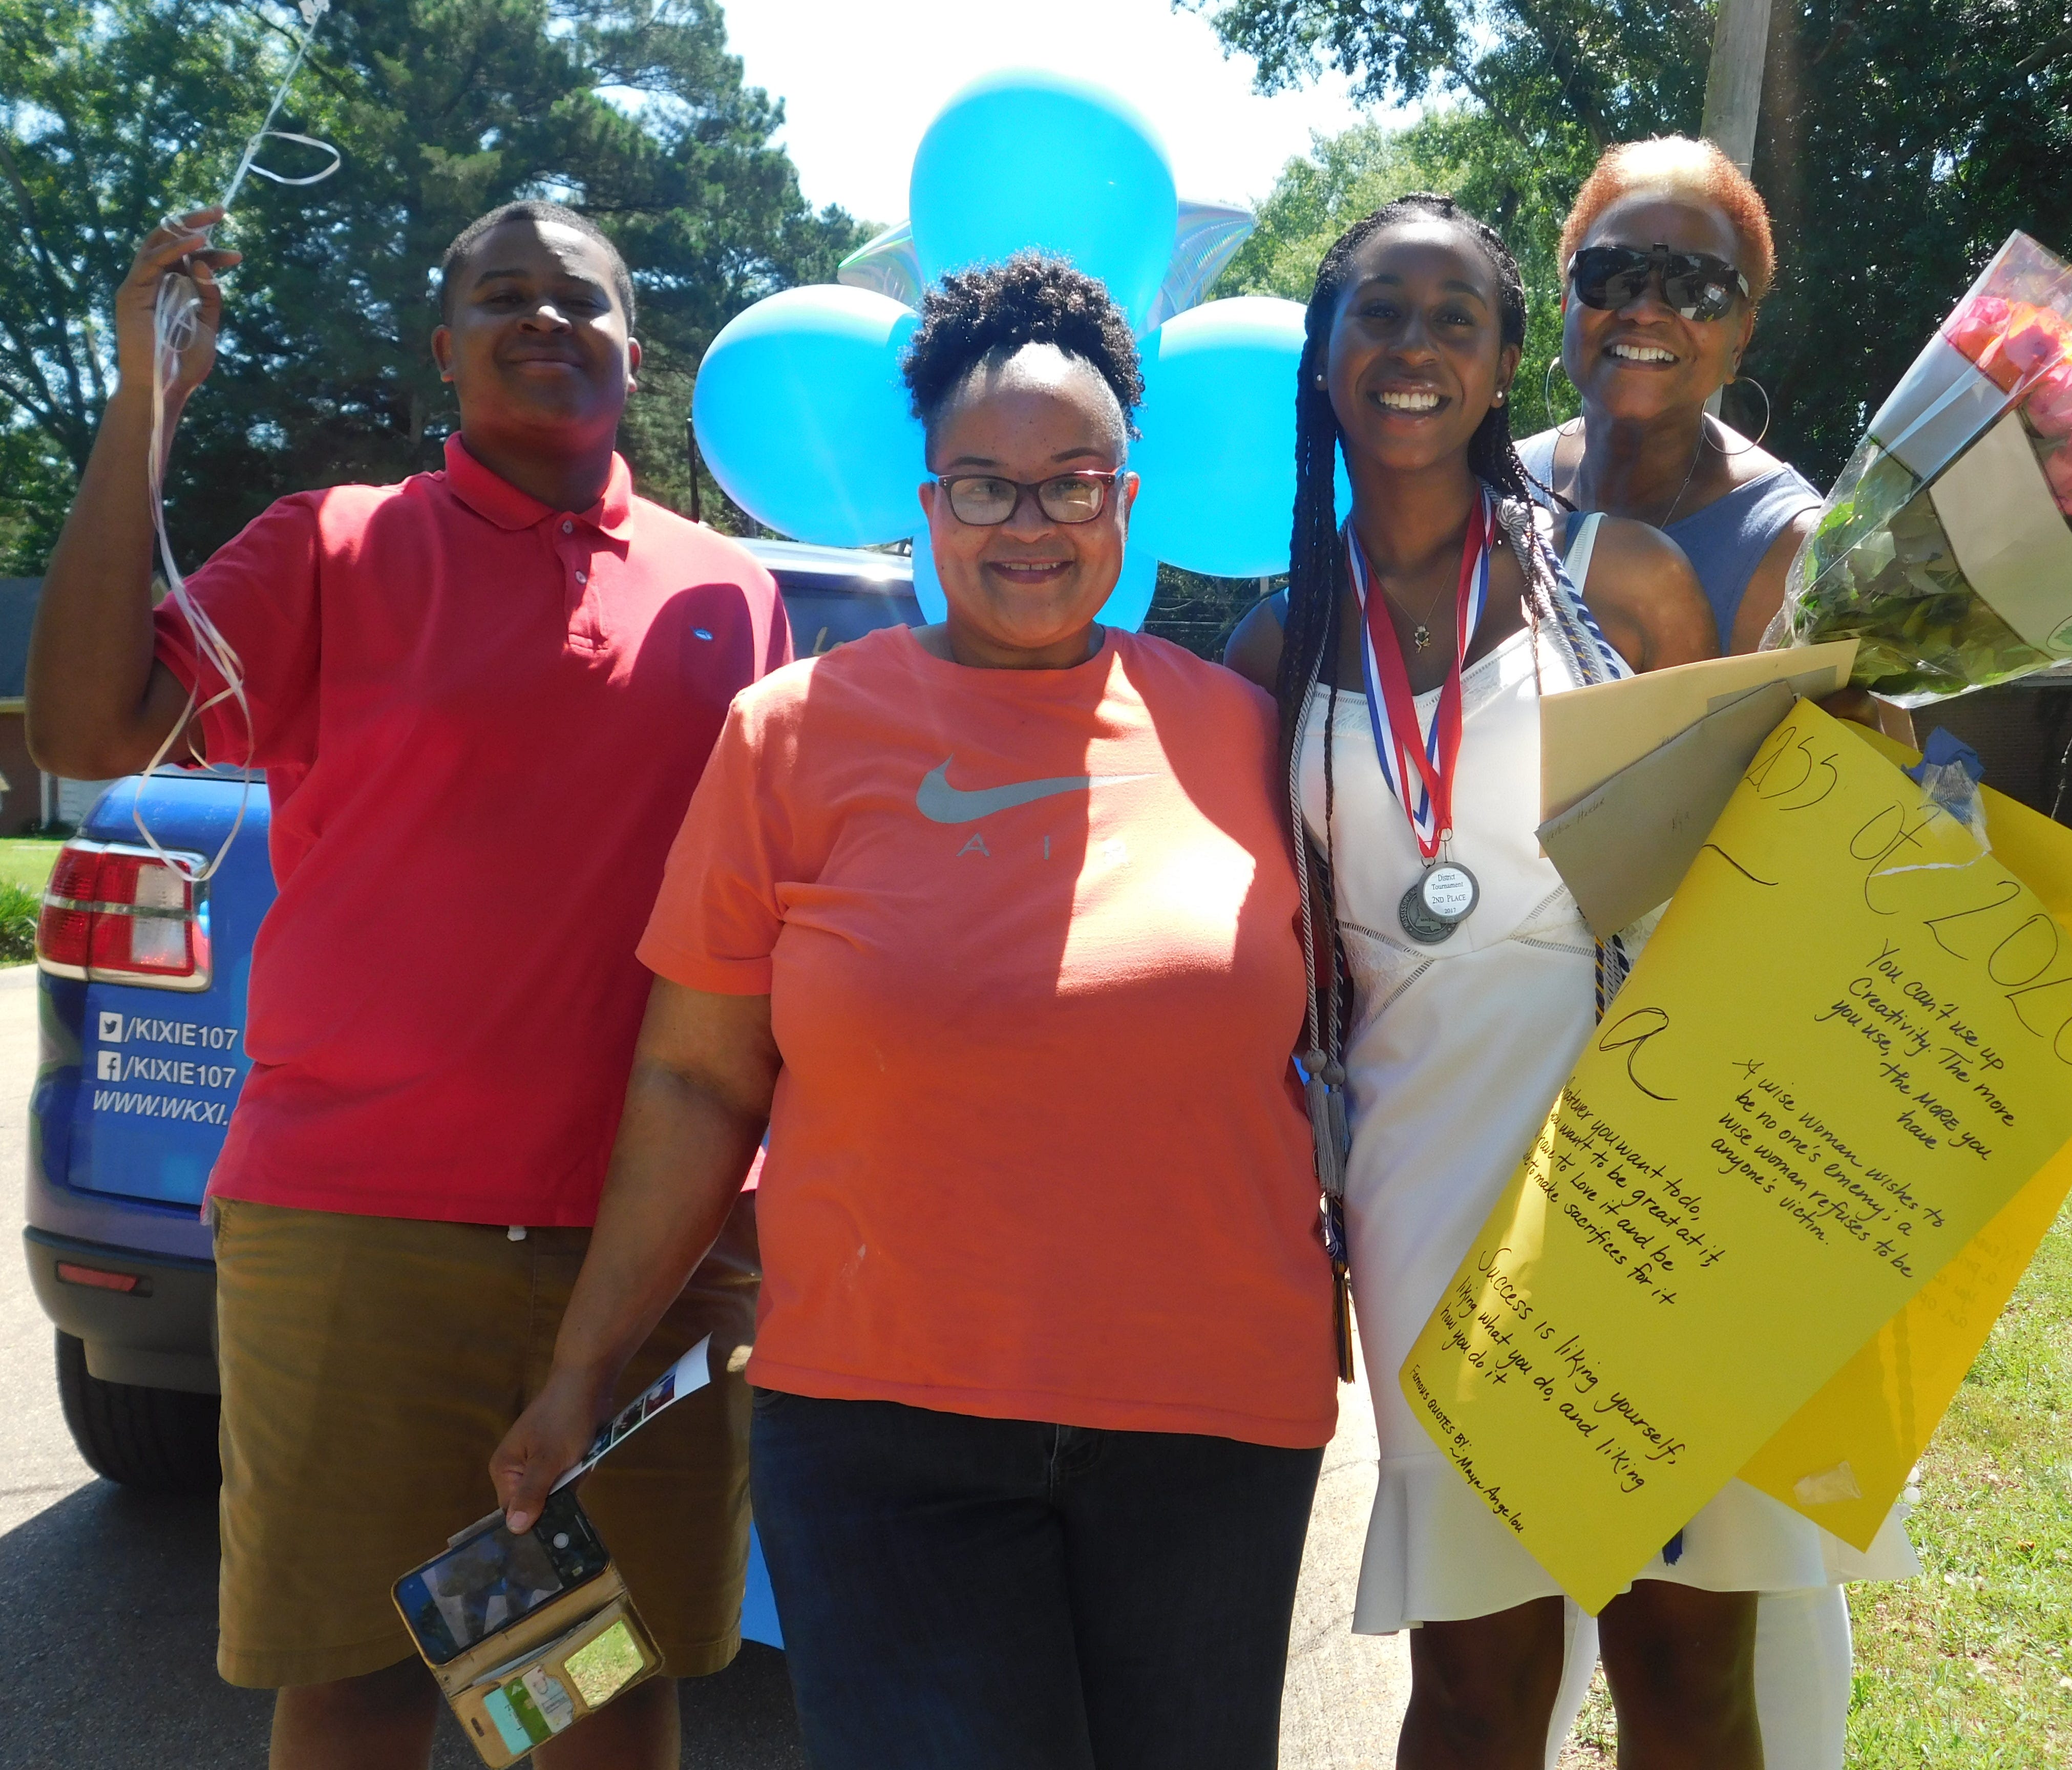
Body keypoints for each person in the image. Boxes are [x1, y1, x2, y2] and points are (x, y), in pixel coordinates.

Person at [490, 254, 1338, 1770]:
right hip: (885, 1429)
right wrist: (580, 1368)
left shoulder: (1246, 737)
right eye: (986, 485)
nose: (1031, 522)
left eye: (1072, 482)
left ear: (1128, 501)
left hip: (1210, 1422)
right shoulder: (792, 736)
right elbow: (696, 1084)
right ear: (928, 504)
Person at [27, 199, 788, 1768]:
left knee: (595, 1693)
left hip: (646, 1244)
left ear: (633, 347)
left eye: (577, 296)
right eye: (501, 295)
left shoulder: (732, 593)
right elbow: (90, 729)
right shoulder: (332, 543)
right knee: (362, 1684)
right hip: (360, 1231)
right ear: (445, 349)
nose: (542, 316)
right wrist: (145, 406)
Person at [1226, 193, 1916, 1770]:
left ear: (1503, 362)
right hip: (1424, 1181)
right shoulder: (1277, 645)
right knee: (1477, 1686)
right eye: (1378, 314)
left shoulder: (1627, 584)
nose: (1413, 347)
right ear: (1324, 356)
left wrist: (1862, 765)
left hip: (1650, 1159)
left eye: (1453, 318)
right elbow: (1274, 965)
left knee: (1685, 1667)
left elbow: (1747, 854)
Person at [1518, 136, 1821, 658]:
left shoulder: (1790, 555)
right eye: (1611, 272)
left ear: (1740, 339)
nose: (1645, 310)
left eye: (1697, 287)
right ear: (1568, 303)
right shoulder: (1497, 483)